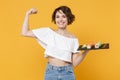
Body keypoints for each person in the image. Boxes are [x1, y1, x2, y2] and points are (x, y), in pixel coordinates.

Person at [21, 6, 90, 80]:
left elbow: (75, 63)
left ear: (68, 18)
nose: (60, 19)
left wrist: (86, 50)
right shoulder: (49, 33)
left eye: (63, 16)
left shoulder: (73, 39)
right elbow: (25, 32)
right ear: (55, 19)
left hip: (67, 73)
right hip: (51, 72)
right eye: (57, 17)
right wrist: (27, 14)